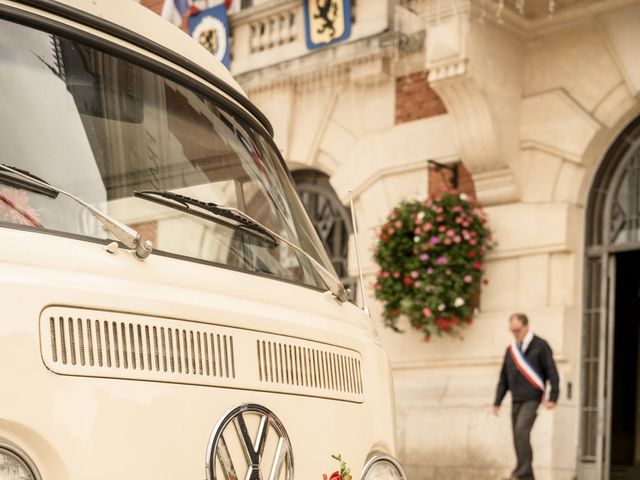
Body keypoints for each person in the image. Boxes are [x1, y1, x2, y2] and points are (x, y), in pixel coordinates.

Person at [492, 313, 559, 480]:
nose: (515, 334)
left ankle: (521, 471)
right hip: (516, 397)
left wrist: (553, 397)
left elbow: (552, 371)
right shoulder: (511, 350)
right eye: (512, 331)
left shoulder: (540, 345)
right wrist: (497, 402)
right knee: (517, 434)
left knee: (521, 430)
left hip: (533, 397)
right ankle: (526, 475)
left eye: (517, 330)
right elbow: (503, 378)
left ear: (526, 326)